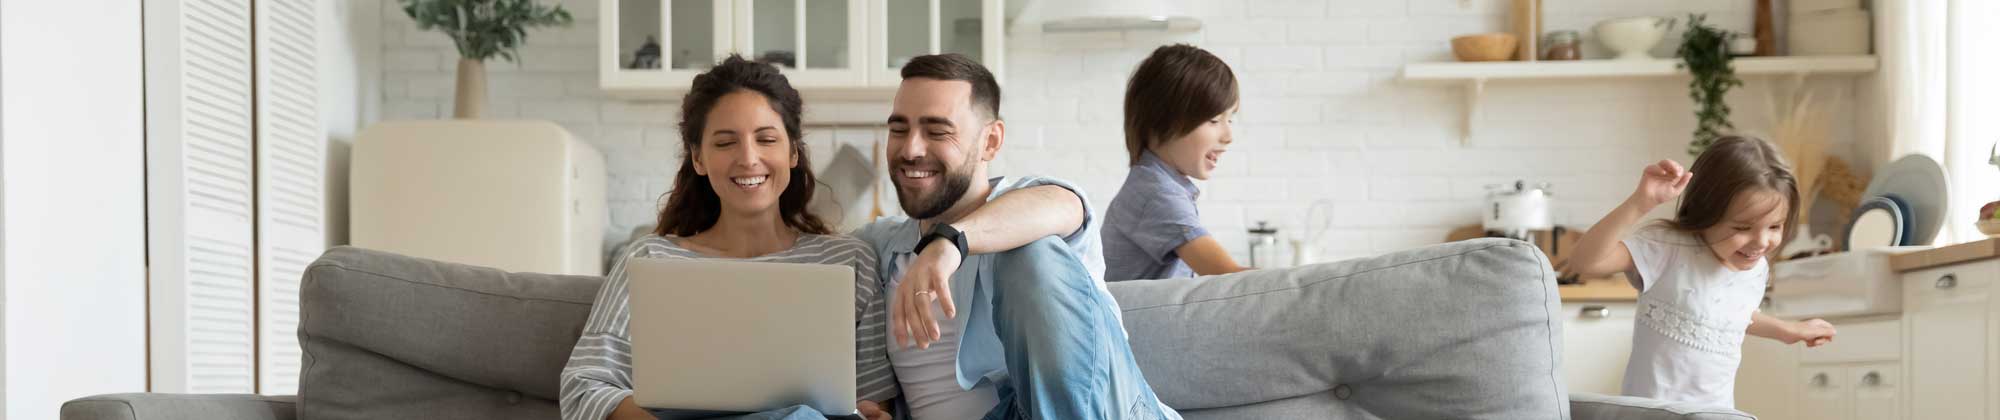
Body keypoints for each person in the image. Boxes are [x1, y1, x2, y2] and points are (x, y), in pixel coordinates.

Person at [558, 55, 898, 420]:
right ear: (698, 158)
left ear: (793, 152)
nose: (749, 158)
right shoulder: (649, 259)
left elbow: (873, 399)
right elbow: (584, 387)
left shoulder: (851, 261)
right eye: (725, 143)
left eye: (766, 139)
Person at [855, 53, 1180, 419]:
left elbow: (1064, 204)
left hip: (1107, 410)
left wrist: (950, 241)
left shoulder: (1029, 209)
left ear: (991, 141)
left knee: (1031, 252)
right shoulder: (879, 247)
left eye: (937, 131)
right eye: (899, 130)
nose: (911, 149)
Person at [1567, 135, 1838, 407]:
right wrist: (1640, 202)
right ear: (1705, 212)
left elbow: (1731, 316)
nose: (1762, 242)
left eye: (1774, 227)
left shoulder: (1756, 268)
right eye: (1742, 228)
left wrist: (1786, 330)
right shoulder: (1667, 246)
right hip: (1654, 414)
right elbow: (1586, 262)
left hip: (1715, 412)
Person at [1102, 44, 1248, 281]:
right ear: (1160, 122)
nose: (1228, 136)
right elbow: (1229, 277)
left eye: (1230, 119)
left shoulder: (1158, 186)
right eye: (1213, 120)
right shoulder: (1156, 194)